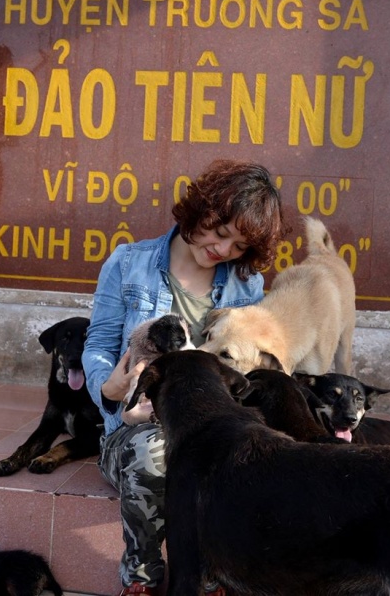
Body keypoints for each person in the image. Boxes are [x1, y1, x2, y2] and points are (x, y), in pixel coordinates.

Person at [82, 159, 286, 596]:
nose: (223, 249)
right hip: (134, 431)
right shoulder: (130, 262)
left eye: (238, 244)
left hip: (213, 430)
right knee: (154, 453)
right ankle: (142, 577)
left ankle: (215, 574)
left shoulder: (247, 286)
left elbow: (247, 371)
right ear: (202, 209)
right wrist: (111, 390)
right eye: (220, 230)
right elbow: (98, 341)